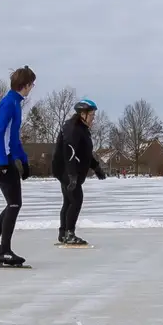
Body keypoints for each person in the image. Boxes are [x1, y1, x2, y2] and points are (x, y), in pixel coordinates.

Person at [0, 66, 36, 265]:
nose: (32, 88)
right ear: (25, 85)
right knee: (14, 203)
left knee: (13, 203)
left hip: (6, 158)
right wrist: (2, 160)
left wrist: (24, 161)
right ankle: (4, 250)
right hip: (0, 160)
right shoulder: (9, 103)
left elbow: (13, 138)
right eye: (32, 84)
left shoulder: (15, 103)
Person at [52, 98, 106, 246]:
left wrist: (96, 167)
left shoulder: (81, 129)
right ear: (83, 114)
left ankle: (63, 233)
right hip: (66, 171)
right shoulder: (73, 129)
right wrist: (72, 175)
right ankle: (69, 234)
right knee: (76, 200)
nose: (93, 118)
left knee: (68, 201)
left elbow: (84, 153)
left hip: (68, 171)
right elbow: (70, 152)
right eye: (91, 115)